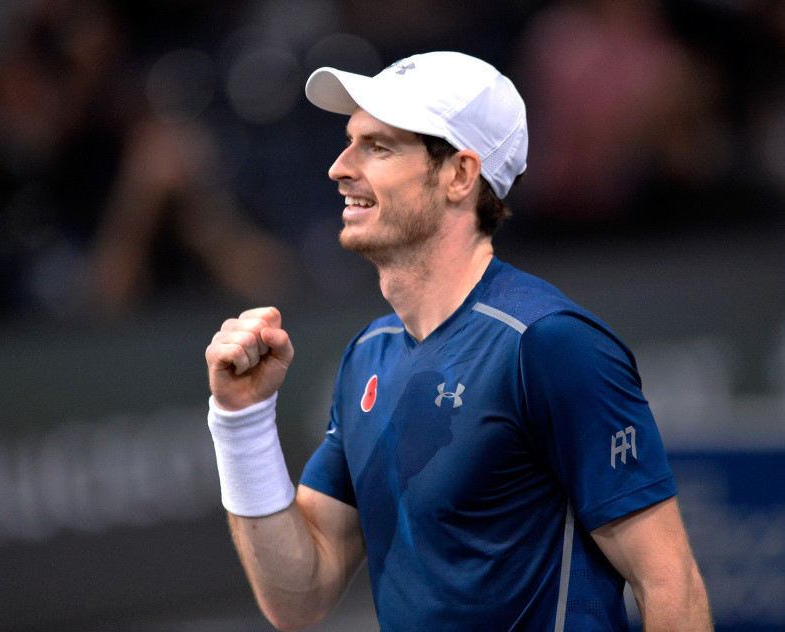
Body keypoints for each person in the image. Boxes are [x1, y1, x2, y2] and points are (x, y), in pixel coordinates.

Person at [204, 51, 712, 631]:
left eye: (378, 147)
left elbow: (670, 583)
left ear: (460, 176)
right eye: (350, 143)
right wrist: (241, 420)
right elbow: (299, 598)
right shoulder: (367, 355)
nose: (339, 168)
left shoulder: (547, 344)